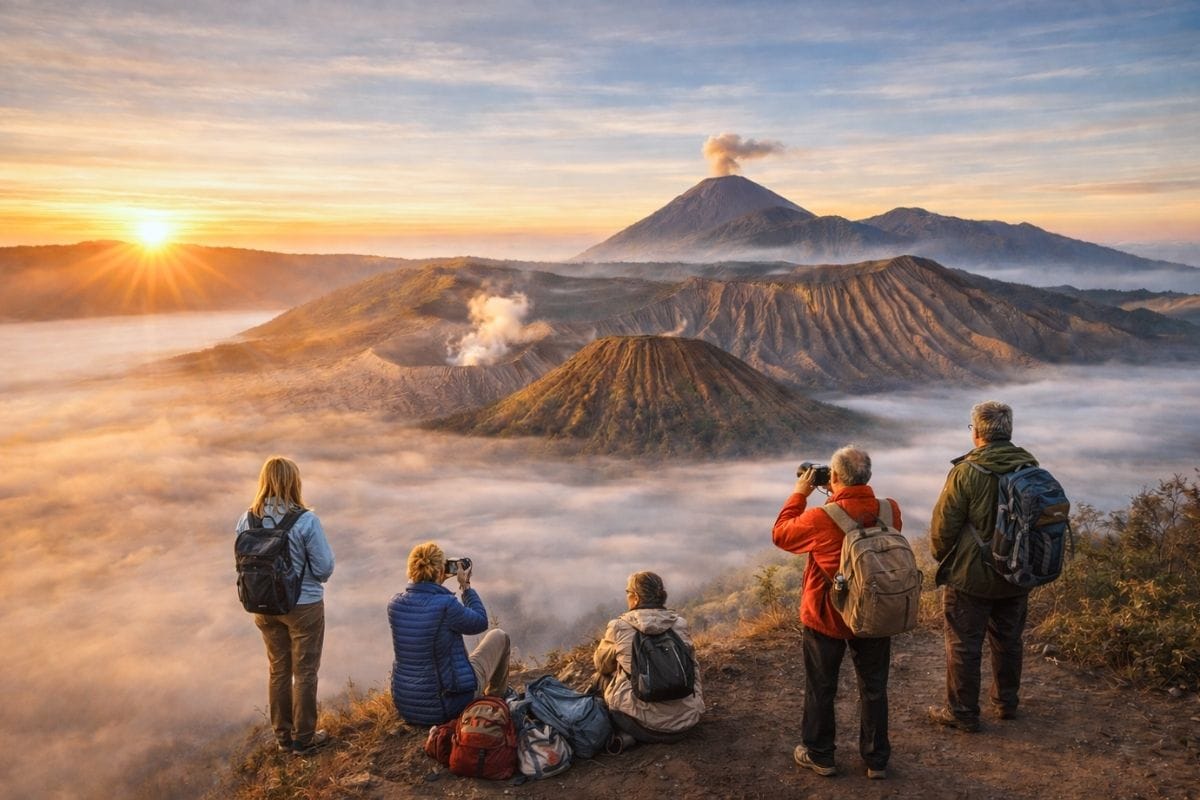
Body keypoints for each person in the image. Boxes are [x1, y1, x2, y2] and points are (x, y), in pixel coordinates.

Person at [772, 444, 900, 780]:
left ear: (837, 476)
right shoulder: (889, 509)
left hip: (827, 616)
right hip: (875, 612)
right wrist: (839, 492)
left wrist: (801, 493)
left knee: (821, 686)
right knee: (874, 687)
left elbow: (781, 535)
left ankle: (821, 755)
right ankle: (876, 760)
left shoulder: (820, 517)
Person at [928, 401, 1035, 732]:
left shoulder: (966, 472)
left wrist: (945, 559)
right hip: (1018, 571)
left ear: (976, 433)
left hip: (971, 578)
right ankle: (1006, 703)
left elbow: (943, 529)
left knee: (963, 643)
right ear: (1009, 432)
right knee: (1009, 639)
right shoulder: (1030, 467)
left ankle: (962, 713)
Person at [236, 456, 336, 756]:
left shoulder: (246, 519)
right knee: (305, 672)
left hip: (262, 606)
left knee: (278, 670)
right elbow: (323, 569)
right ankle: (304, 739)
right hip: (303, 606)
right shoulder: (306, 520)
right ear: (295, 482)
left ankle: (282, 736)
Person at [387, 542, 511, 725]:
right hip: (447, 706)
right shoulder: (446, 605)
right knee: (499, 637)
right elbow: (480, 622)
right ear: (439, 571)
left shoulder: (395, 605)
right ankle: (494, 701)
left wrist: (435, 581)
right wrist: (466, 587)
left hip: (408, 707)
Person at [593, 571, 704, 744]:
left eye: (627, 592)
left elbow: (601, 665)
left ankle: (609, 730)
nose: (627, 596)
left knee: (601, 677)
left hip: (643, 726)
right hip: (689, 720)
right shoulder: (680, 624)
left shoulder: (619, 627)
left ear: (635, 598)